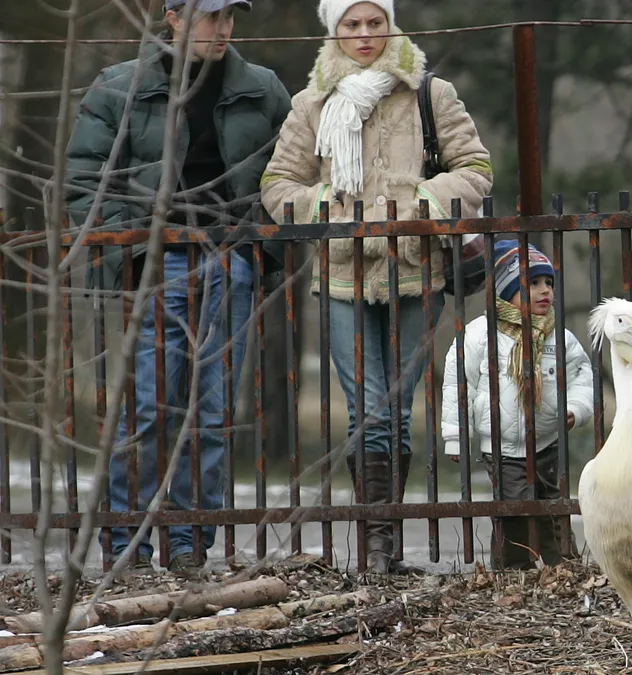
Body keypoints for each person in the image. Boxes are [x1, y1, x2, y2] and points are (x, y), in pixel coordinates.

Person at [260, 0, 493, 573]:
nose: (363, 34)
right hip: (342, 278)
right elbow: (276, 184)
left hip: (418, 274)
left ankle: (381, 535)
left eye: (373, 21)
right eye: (351, 23)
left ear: (389, 23)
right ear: (333, 29)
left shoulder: (430, 94)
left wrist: (422, 205)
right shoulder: (312, 103)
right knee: (370, 408)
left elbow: (477, 170)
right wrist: (324, 206)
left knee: (396, 403)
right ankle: (378, 543)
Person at [64, 0, 291, 574]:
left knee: (212, 411)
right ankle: (126, 544)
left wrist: (260, 250)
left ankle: (190, 542)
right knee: (145, 408)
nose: (222, 28)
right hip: (154, 261)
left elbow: (293, 177)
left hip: (230, 258)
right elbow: (85, 181)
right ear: (172, 17)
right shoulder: (121, 87)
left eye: (230, 17)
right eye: (210, 16)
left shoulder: (261, 89)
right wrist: (126, 252)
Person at [441, 241, 594, 570]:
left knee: (551, 504)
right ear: (505, 290)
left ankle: (560, 565)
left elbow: (582, 376)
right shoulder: (480, 334)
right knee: (514, 507)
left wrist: (576, 408)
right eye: (532, 284)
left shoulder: (558, 336)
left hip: (548, 440)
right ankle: (512, 567)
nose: (544, 292)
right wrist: (455, 435)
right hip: (502, 445)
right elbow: (458, 383)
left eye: (548, 284)